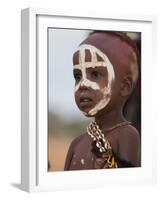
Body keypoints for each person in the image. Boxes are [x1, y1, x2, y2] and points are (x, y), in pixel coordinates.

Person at [64, 31, 141, 170]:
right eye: (77, 76)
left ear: (124, 86)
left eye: (95, 74)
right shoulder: (76, 144)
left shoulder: (128, 135)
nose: (83, 84)